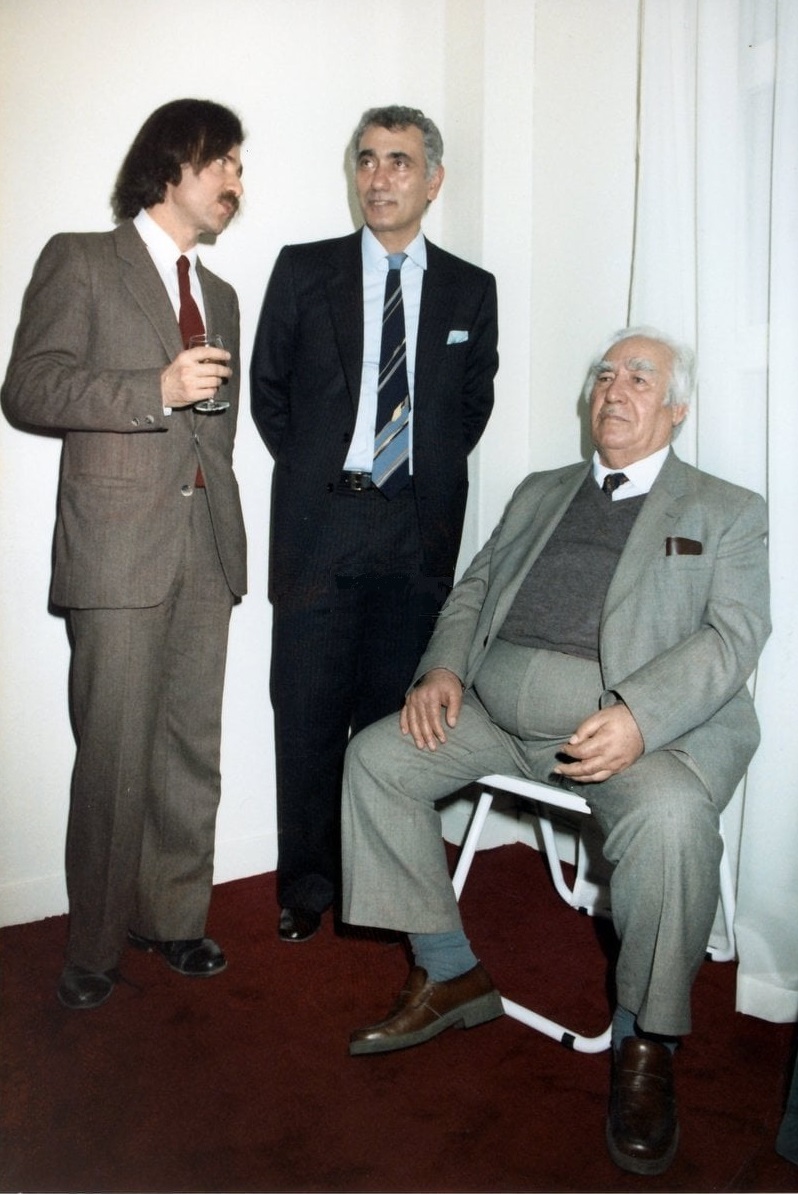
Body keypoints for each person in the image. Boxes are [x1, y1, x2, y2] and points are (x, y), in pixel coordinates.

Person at [340, 328, 771, 1177]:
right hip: (496, 713)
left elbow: (732, 638)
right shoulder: (541, 490)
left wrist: (640, 714)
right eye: (605, 375)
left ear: (677, 410)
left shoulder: (726, 510)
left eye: (639, 378)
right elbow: (474, 590)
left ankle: (647, 1041)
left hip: (633, 736)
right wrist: (442, 669)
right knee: (377, 759)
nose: (615, 389)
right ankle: (449, 971)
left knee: (675, 820)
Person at [1, 98, 247, 1010]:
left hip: (204, 545)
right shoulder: (82, 259)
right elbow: (29, 387)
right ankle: (95, 946)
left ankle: (173, 918)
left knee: (190, 746)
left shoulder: (222, 296)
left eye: (240, 167)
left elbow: (217, 432)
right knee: (112, 754)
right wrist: (156, 387)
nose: (236, 182)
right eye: (223, 162)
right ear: (171, 165)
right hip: (116, 548)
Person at [250, 105, 499, 943]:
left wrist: (411, 475)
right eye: (366, 159)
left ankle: (379, 886)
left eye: (399, 161)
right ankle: (307, 885)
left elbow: (469, 409)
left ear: (433, 181)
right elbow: (270, 394)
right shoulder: (304, 270)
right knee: (308, 712)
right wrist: (328, 474)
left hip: (414, 531)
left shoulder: (470, 289)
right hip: (322, 524)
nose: (379, 177)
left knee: (394, 719)